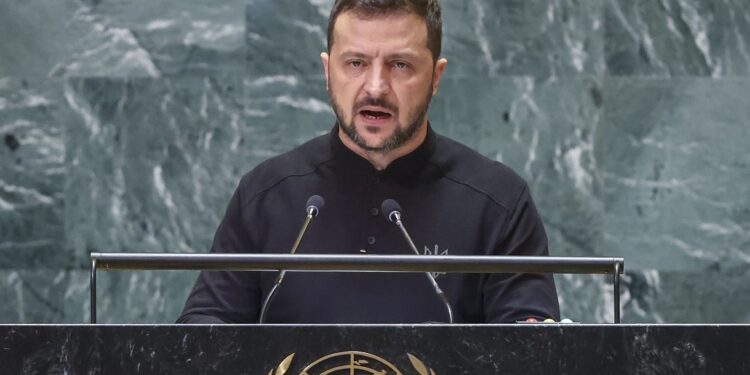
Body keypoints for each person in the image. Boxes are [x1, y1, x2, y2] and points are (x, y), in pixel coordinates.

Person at [177, 0, 559, 324]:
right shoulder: (264, 195)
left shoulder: (498, 202)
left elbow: (530, 349)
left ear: (436, 77)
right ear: (328, 72)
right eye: (356, 63)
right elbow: (204, 338)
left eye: (400, 65)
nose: (376, 87)